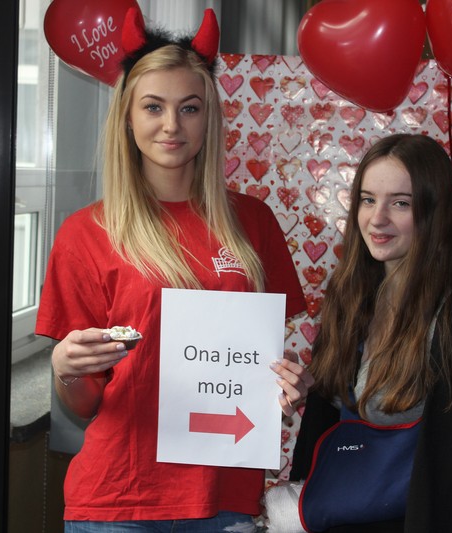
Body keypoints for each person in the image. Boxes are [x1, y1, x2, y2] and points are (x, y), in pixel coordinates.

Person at [35, 8, 313, 532]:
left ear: (209, 118)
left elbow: (252, 363)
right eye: (153, 107)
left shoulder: (253, 223)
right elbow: (85, 403)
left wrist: (286, 386)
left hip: (223, 498)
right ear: (127, 116)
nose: (171, 125)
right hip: (118, 502)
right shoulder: (85, 234)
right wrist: (68, 369)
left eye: (189, 108)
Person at [289, 134, 452, 532]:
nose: (378, 218)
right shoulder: (350, 300)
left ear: (434, 212)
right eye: (368, 199)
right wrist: (312, 387)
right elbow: (331, 423)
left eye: (401, 203)